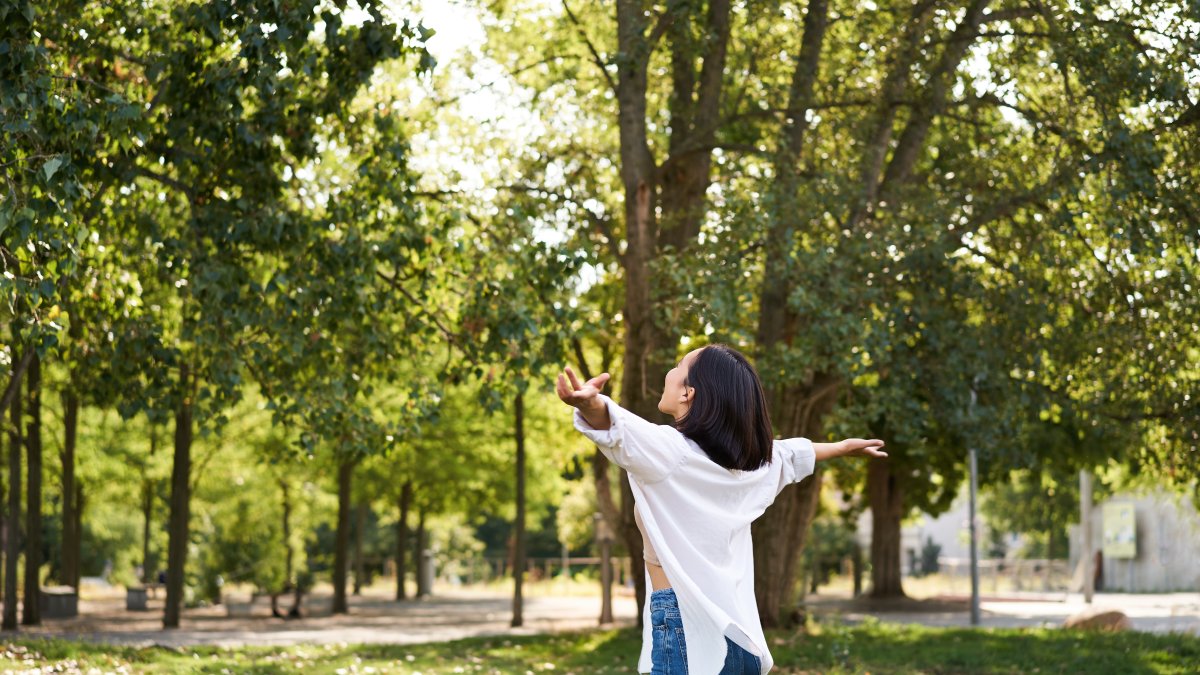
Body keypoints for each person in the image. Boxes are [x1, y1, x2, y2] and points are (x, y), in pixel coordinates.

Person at [556, 344, 886, 674]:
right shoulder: (748, 468)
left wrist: (593, 404)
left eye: (678, 365)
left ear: (688, 392)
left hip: (687, 628)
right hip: (738, 634)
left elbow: (619, 429)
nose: (669, 373)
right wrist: (842, 449)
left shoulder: (672, 453)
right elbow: (788, 455)